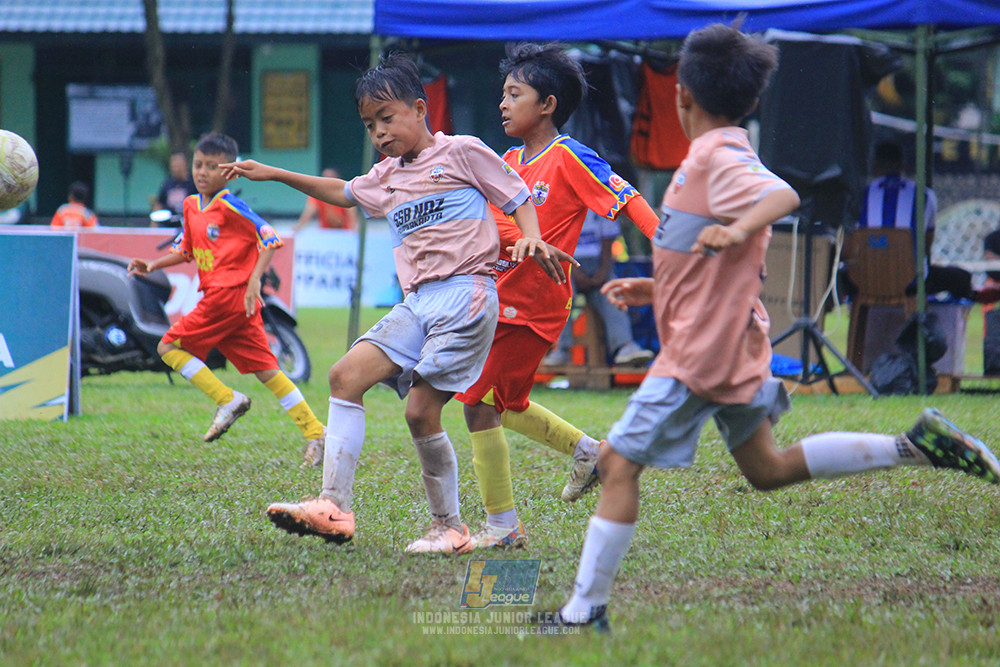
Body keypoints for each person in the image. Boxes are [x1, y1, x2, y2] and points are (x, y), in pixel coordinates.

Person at [540, 23, 1000, 633]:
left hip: (702, 353)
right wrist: (657, 287)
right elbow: (710, 259)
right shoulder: (716, 151)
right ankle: (914, 445)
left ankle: (583, 612)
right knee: (767, 469)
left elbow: (780, 195)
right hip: (729, 340)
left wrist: (736, 228)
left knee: (618, 466)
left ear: (681, 94)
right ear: (753, 100)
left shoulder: (717, 155)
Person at [220, 53, 554, 554]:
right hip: (417, 302)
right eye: (369, 124)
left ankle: (449, 527)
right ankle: (333, 507)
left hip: (466, 293)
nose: (378, 132)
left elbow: (517, 195)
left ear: (419, 110)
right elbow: (342, 192)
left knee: (420, 412)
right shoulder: (385, 175)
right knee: (344, 377)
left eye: (386, 117)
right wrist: (272, 173)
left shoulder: (463, 151)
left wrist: (531, 236)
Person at [454, 43, 661, 551]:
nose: (502, 103)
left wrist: (671, 250)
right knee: (505, 403)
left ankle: (503, 527)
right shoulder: (506, 161)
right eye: (503, 94)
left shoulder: (569, 156)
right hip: (496, 296)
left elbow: (629, 199)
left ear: (547, 105)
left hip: (535, 302)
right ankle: (590, 452)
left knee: (477, 405)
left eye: (514, 94)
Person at [127, 133, 326, 467]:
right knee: (267, 371)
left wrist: (254, 279)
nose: (202, 172)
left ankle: (227, 399)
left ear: (229, 171)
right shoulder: (191, 206)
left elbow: (270, 239)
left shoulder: (231, 205)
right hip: (234, 304)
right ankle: (316, 432)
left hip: (227, 294)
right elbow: (186, 250)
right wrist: (154, 265)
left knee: (167, 346)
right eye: (198, 165)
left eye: (211, 166)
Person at [844, 140, 975, 301]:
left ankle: (856, 313)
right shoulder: (925, 196)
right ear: (904, 165)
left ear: (874, 167)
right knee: (961, 277)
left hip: (865, 280)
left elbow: (848, 247)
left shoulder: (860, 196)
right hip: (911, 281)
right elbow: (925, 247)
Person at [542, 209, 655, 367]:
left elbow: (608, 241)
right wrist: (573, 271)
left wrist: (603, 272)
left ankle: (625, 346)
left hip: (599, 264)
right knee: (562, 292)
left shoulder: (601, 206)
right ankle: (561, 349)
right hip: (567, 263)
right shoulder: (563, 206)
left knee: (613, 293)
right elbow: (557, 242)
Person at [292, 167, 357, 232]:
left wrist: (353, 231)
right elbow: (309, 212)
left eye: (330, 178)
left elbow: (352, 215)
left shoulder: (344, 193)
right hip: (325, 232)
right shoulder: (317, 194)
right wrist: (299, 227)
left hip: (344, 232)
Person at [153, 151, 198, 219]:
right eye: (173, 163)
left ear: (185, 164)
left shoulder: (193, 183)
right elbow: (159, 203)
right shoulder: (167, 183)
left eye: (178, 163)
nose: (175, 166)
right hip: (169, 222)